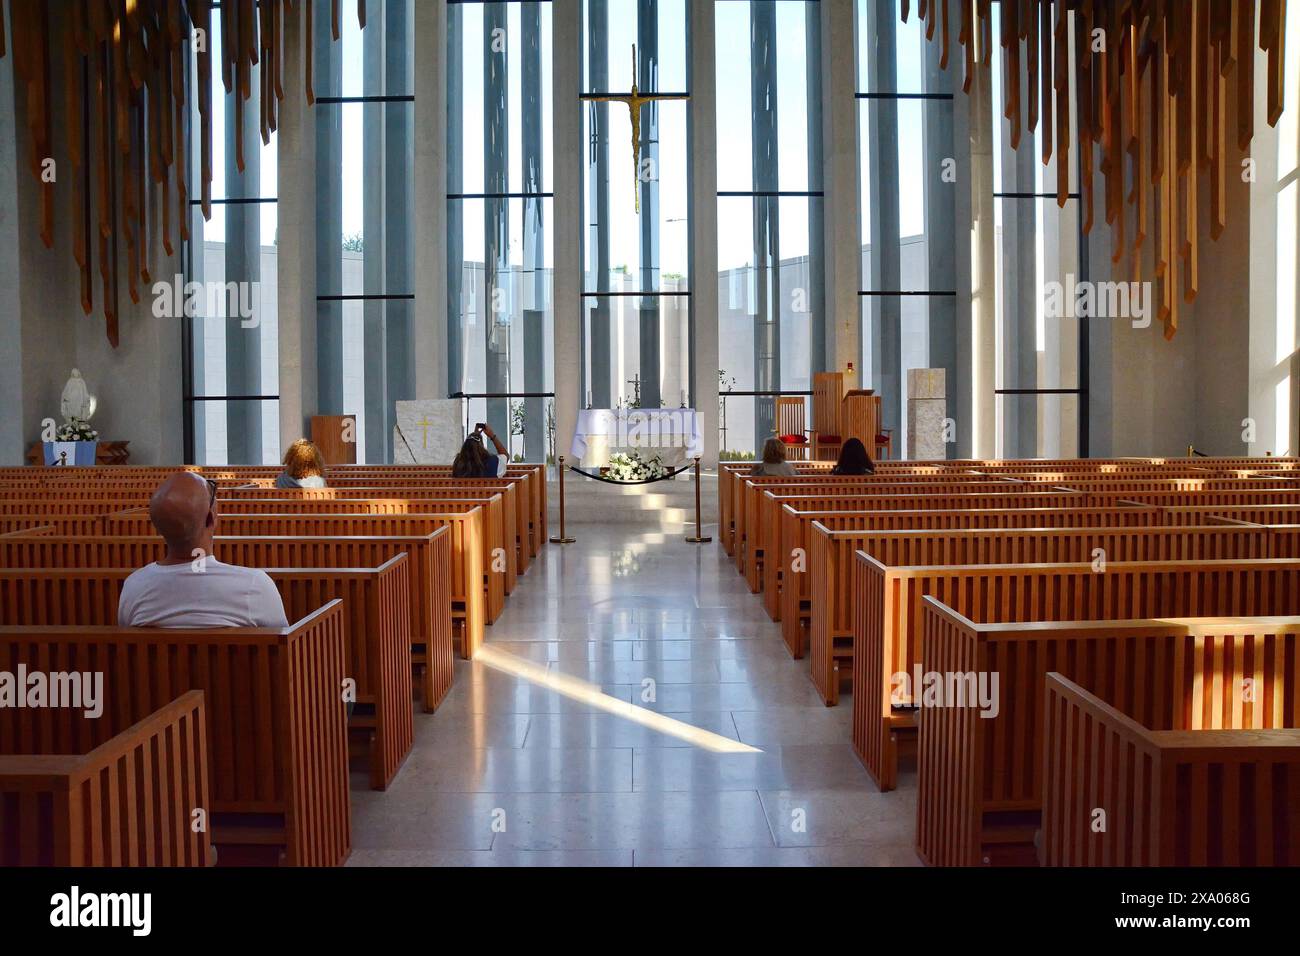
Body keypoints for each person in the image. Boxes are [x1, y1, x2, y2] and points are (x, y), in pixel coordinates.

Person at [117, 472, 289, 628]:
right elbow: (284, 654)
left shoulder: (135, 586)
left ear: (158, 527)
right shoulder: (255, 586)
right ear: (210, 518)